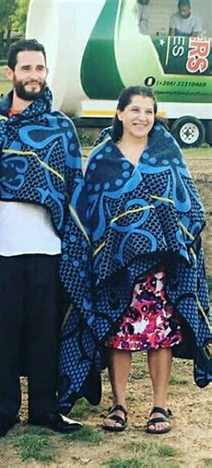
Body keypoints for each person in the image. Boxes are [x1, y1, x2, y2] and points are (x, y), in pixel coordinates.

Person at [0, 39, 90, 438]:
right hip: (1, 248)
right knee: (2, 333)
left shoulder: (62, 127)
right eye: (26, 69)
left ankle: (45, 408)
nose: (33, 76)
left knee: (46, 333)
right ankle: (2, 410)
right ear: (10, 73)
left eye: (39, 69)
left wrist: (73, 244)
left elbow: (73, 190)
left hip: (49, 248)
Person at [67, 86, 211, 434]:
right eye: (134, 110)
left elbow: (188, 202)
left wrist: (178, 240)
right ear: (119, 114)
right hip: (116, 265)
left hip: (162, 263)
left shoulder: (167, 151)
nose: (141, 117)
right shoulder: (102, 157)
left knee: (160, 333)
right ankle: (120, 406)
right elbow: (89, 210)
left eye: (148, 111)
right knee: (120, 333)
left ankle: (159, 406)